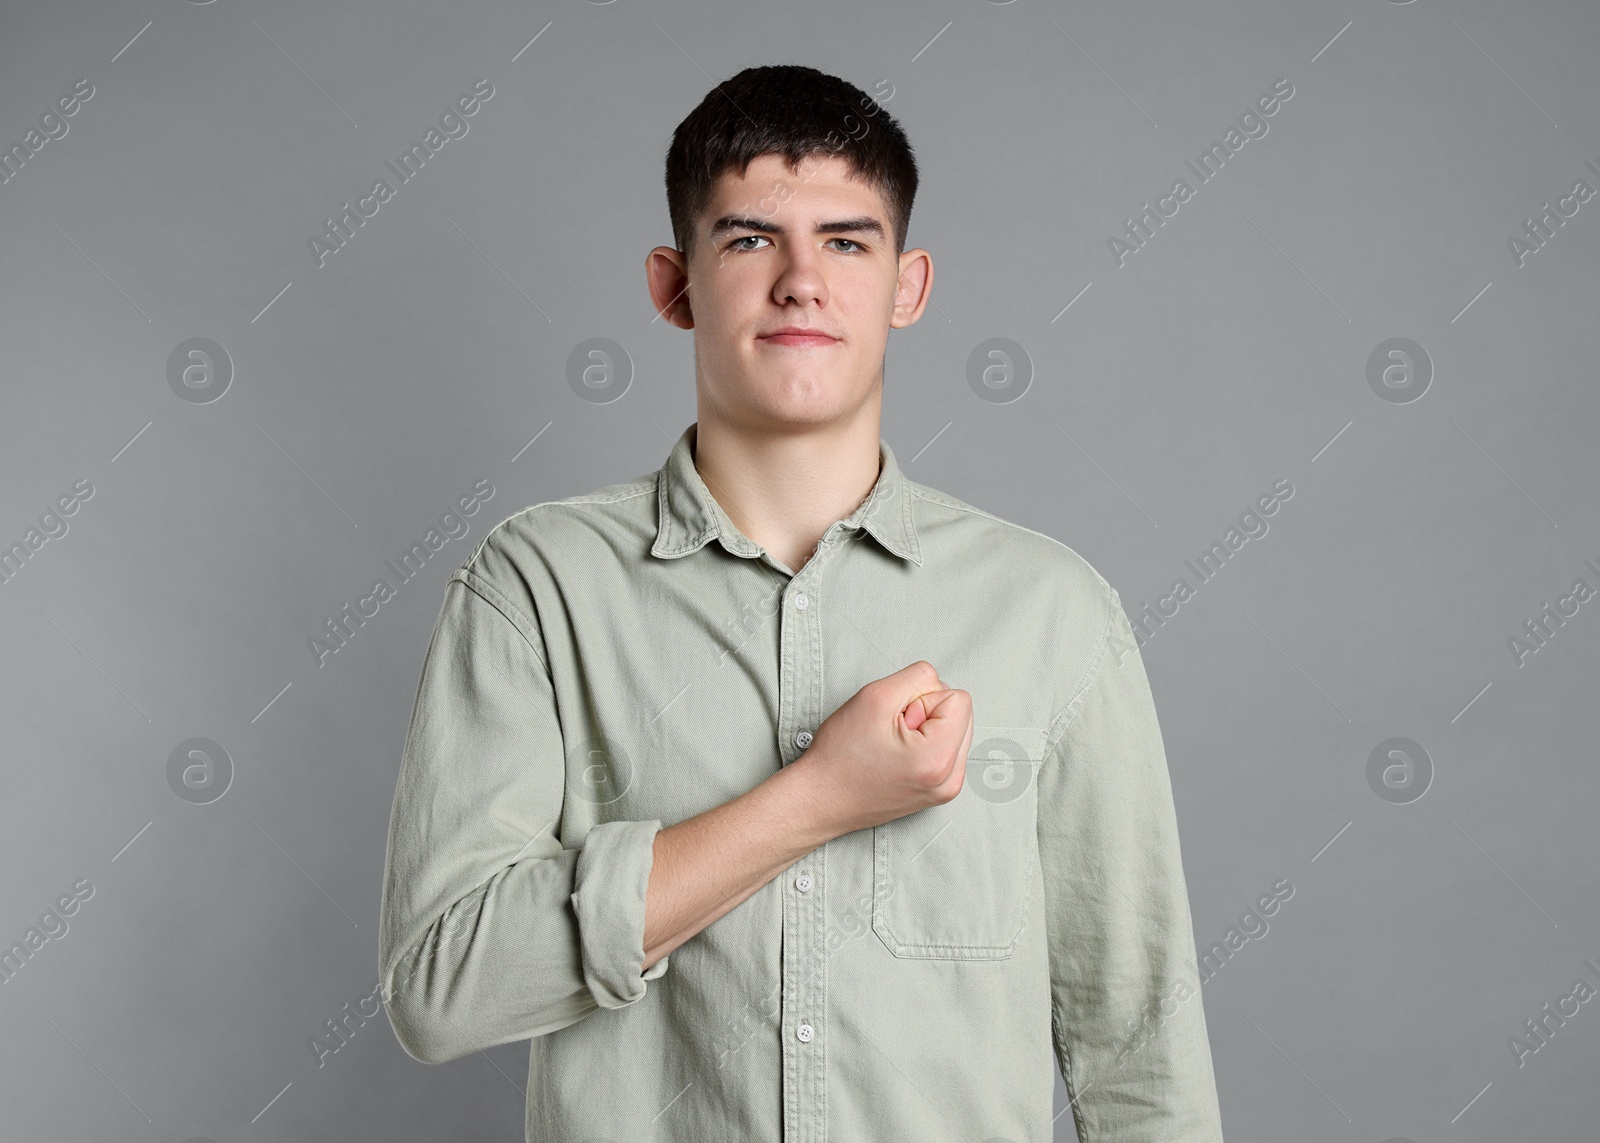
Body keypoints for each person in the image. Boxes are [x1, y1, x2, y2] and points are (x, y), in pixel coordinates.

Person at [378, 63, 1226, 1142]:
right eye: (746, 240)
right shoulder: (538, 589)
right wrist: (818, 799)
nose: (800, 283)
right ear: (672, 283)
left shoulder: (1051, 613)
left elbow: (1139, 1053)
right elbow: (441, 990)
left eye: (845, 240)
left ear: (906, 286)